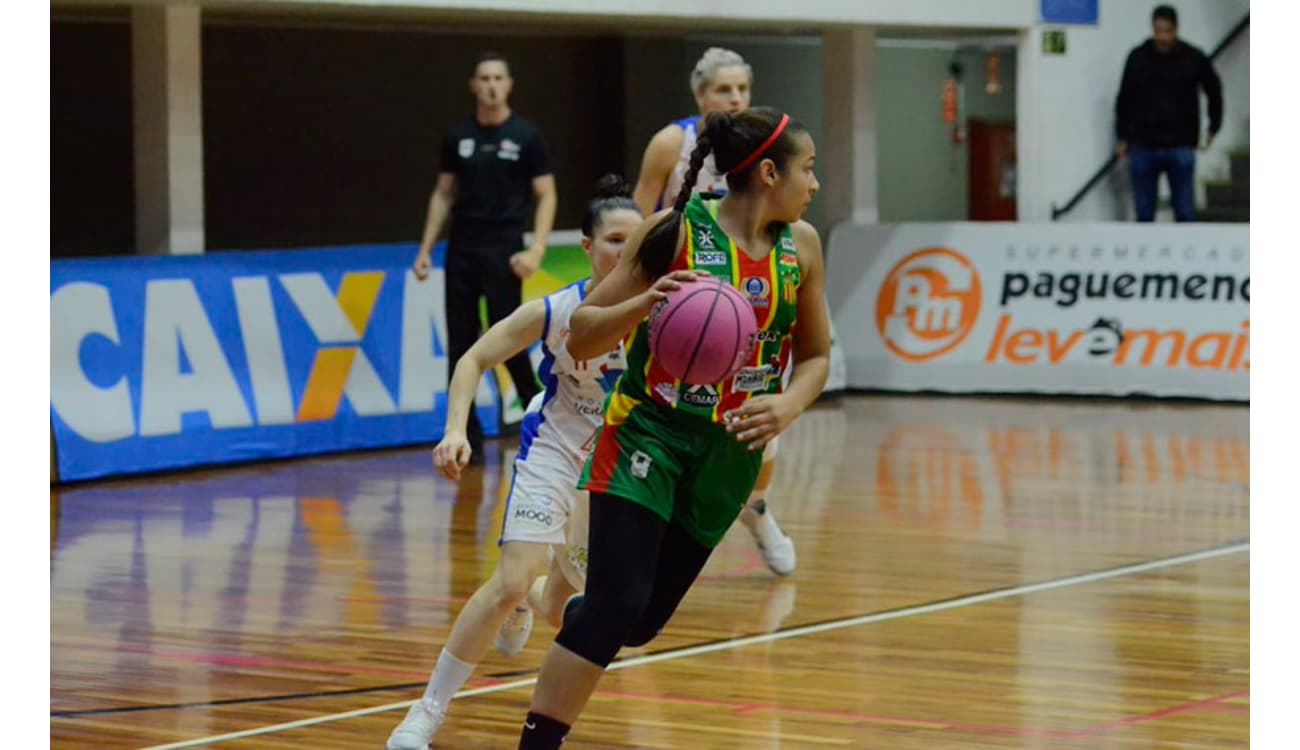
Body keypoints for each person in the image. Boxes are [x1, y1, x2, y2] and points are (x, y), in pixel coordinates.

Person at [516, 106, 830, 749]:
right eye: (809, 169)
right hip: (648, 433)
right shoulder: (674, 230)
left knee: (639, 624)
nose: (815, 185)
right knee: (613, 613)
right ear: (769, 173)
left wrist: (789, 404)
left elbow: (817, 356)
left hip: (727, 456)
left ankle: (583, 605)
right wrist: (644, 303)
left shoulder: (804, 248)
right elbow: (580, 333)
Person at [386, 176, 638, 750]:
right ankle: (426, 711)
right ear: (588, 247)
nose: (624, 253)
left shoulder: (663, 314)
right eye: (613, 241)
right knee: (507, 581)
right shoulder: (559, 310)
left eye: (634, 241)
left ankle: (532, 593)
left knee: (563, 610)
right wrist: (455, 430)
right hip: (553, 446)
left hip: (615, 469)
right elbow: (475, 356)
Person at [633, 46, 797, 577]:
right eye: (724, 90)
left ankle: (755, 509)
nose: (735, 98)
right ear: (700, 94)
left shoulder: (759, 148)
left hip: (747, 308)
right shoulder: (670, 142)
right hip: (682, 308)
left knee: (757, 432)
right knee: (673, 419)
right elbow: (639, 215)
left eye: (742, 89)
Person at [411, 51, 558, 457]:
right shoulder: (458, 136)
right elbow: (443, 194)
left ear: (508, 85)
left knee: (505, 337)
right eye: (484, 78)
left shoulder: (526, 136)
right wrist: (425, 249)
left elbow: (546, 195)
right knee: (459, 340)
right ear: (473, 86)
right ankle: (464, 437)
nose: (491, 85)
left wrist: (537, 248)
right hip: (463, 245)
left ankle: (540, 415)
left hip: (504, 246)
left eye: (498, 78)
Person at [1114, 4, 1223, 222]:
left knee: (1184, 212)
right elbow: (1124, 99)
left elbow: (1214, 90)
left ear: (1176, 30)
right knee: (1144, 214)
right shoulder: (1138, 58)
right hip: (1143, 144)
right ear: (1152, 29)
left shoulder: (1193, 58)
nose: (1162, 37)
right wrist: (1123, 136)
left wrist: (1213, 126)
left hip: (1180, 144)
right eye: (1158, 31)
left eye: (1167, 31)